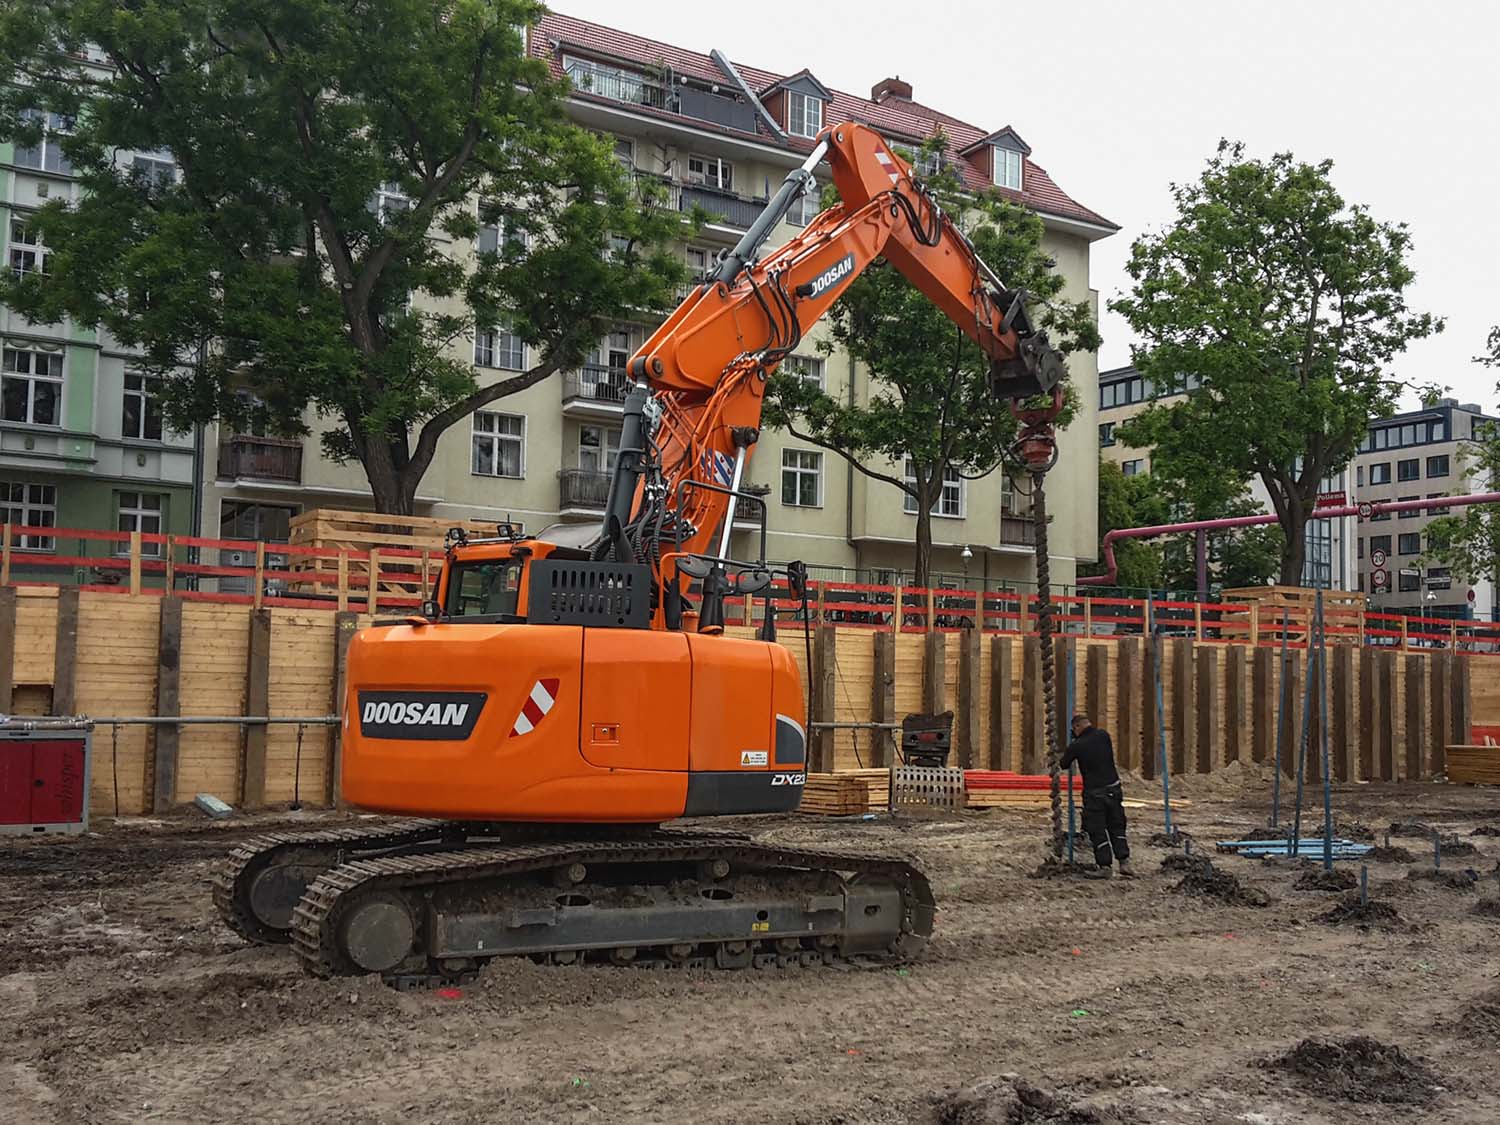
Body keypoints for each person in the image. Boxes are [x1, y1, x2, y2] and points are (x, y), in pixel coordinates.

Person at [1060, 713, 1134, 879]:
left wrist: (1072, 745)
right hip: (1114, 789)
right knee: (1117, 825)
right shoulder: (1104, 735)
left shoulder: (1077, 745)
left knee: (1097, 829)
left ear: (1077, 727)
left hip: (1094, 793)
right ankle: (1124, 862)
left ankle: (1105, 866)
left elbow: (1064, 764)